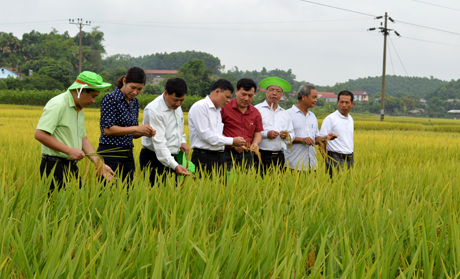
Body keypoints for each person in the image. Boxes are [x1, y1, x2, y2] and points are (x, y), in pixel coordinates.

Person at [35, 71, 114, 192]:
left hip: (71, 166)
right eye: (93, 96)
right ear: (81, 90)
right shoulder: (58, 104)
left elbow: (83, 139)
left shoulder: (79, 109)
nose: (93, 101)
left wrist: (99, 164)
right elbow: (40, 134)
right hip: (54, 166)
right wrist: (69, 150)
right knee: (56, 207)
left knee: (76, 205)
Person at [98, 67, 155, 183]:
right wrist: (137, 128)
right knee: (107, 192)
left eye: (140, 89)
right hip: (110, 152)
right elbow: (108, 130)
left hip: (127, 153)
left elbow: (132, 133)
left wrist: (144, 132)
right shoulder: (110, 99)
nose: (135, 92)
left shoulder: (134, 102)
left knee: (128, 193)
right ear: (124, 81)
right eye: (133, 87)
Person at [189, 79, 246, 178]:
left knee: (220, 191)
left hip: (220, 157)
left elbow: (217, 134)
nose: (228, 100)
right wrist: (232, 141)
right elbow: (205, 135)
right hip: (204, 158)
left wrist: (233, 143)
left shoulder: (218, 110)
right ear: (217, 92)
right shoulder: (200, 107)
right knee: (204, 190)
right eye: (227, 97)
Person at [139, 78, 190, 185]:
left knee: (174, 196)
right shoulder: (155, 110)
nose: (178, 103)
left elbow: (176, 127)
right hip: (154, 158)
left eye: (182, 100)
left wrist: (182, 141)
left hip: (173, 157)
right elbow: (159, 144)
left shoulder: (176, 106)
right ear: (166, 93)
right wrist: (175, 165)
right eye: (175, 100)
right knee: (156, 195)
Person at [286, 85, 338, 171]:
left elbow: (315, 138)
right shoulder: (287, 114)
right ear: (304, 97)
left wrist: (326, 137)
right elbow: (284, 138)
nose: (315, 100)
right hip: (293, 165)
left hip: (311, 165)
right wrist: (302, 140)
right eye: (313, 97)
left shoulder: (312, 116)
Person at [254, 77, 295, 176]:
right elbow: (251, 131)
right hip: (261, 155)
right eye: (271, 90)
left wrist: (287, 136)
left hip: (280, 157)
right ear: (266, 92)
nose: (274, 93)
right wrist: (266, 134)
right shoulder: (257, 109)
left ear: (282, 95)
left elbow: (292, 134)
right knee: (259, 185)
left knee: (277, 187)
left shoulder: (285, 113)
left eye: (278, 91)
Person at [221, 78, 263, 171]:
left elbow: (257, 133)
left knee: (245, 183)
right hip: (227, 153)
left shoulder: (256, 113)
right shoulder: (224, 108)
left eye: (250, 96)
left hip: (248, 155)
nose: (246, 98)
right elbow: (216, 130)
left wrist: (255, 143)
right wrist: (232, 143)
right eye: (243, 94)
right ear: (236, 91)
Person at [319, 90, 355, 177]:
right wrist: (326, 159)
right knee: (334, 186)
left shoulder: (350, 119)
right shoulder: (330, 118)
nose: (344, 105)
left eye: (347, 102)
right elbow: (321, 140)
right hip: (335, 159)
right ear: (337, 102)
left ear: (352, 104)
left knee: (349, 186)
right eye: (341, 102)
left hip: (350, 159)